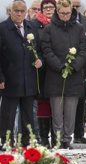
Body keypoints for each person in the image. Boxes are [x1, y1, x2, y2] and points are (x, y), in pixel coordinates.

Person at [41, 0, 86, 150]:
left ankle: (67, 139)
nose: (65, 16)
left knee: (70, 111)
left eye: (67, 13)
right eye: (62, 13)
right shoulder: (49, 29)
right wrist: (60, 66)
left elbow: (83, 50)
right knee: (57, 111)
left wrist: (74, 66)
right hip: (55, 76)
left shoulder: (79, 28)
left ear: (72, 11)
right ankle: (58, 139)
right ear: (57, 12)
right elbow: (47, 50)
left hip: (74, 76)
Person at [0, 0, 43, 148]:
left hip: (28, 79)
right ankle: (6, 142)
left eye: (22, 11)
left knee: (28, 115)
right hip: (10, 79)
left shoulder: (32, 28)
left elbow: (39, 50)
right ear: (10, 11)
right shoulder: (2, 29)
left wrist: (40, 60)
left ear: (26, 12)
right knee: (8, 115)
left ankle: (27, 142)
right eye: (16, 11)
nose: (19, 14)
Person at [32, 0, 56, 148]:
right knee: (42, 104)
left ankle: (55, 137)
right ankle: (43, 138)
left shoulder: (60, 23)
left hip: (56, 71)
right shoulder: (34, 25)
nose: (48, 10)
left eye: (51, 7)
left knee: (56, 105)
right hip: (41, 71)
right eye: (45, 7)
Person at [71, 0, 86, 145]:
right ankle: (64, 134)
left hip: (83, 68)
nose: (74, 9)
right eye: (72, 6)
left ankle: (79, 133)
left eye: (77, 6)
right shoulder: (62, 19)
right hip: (66, 67)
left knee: (81, 102)